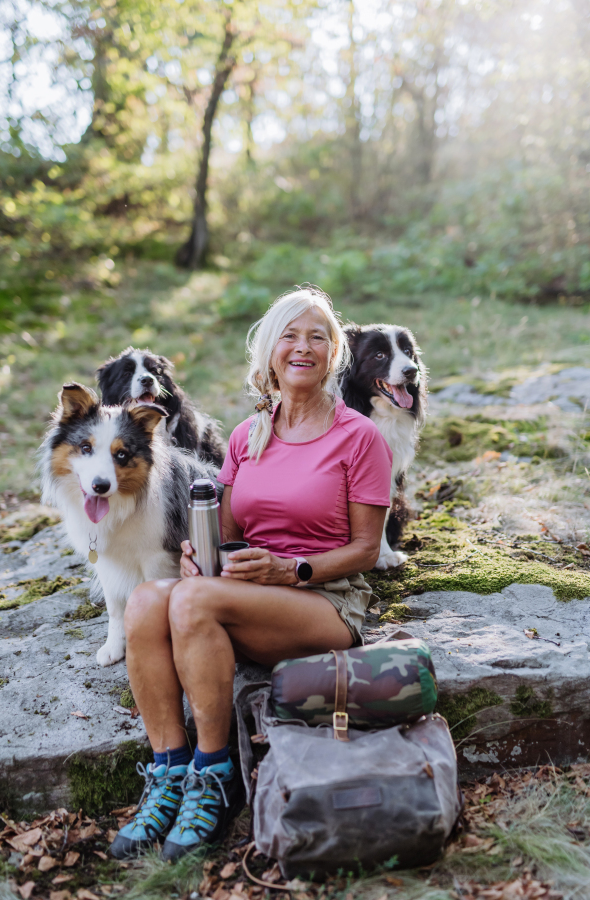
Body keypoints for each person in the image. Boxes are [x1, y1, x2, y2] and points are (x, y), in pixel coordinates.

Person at [110, 286, 393, 861]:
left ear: (333, 354)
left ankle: (216, 775)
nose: (302, 347)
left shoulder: (358, 437)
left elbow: (366, 550)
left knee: (192, 604)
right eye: (289, 335)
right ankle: (169, 771)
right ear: (268, 352)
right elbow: (228, 527)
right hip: (246, 593)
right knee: (145, 601)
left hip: (324, 600)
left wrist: (292, 570)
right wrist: (197, 558)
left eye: (317, 336)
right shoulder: (247, 435)